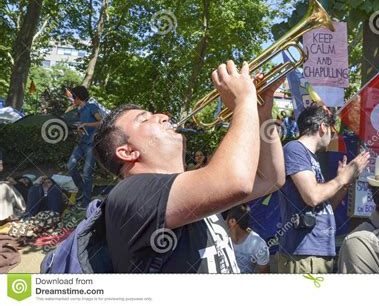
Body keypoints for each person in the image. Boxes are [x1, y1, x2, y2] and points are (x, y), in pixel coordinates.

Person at [93, 60, 285, 273]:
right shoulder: (128, 193)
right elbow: (236, 181)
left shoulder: (191, 189)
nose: (163, 116)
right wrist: (244, 101)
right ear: (128, 152)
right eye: (145, 119)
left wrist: (261, 116)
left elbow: (271, 179)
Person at [278, 104, 370, 273]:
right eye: (332, 131)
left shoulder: (310, 157)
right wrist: (341, 179)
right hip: (303, 254)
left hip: (319, 252)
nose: (333, 136)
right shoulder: (295, 149)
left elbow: (324, 207)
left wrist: (345, 182)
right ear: (322, 127)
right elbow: (312, 196)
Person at [67, 86, 102, 208]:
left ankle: (86, 201)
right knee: (70, 166)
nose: (72, 99)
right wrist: (79, 129)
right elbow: (82, 126)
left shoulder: (91, 107)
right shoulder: (79, 111)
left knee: (87, 173)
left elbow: (101, 122)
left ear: (78, 97)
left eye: (73, 97)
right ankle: (82, 189)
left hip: (91, 145)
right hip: (81, 143)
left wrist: (87, 124)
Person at [226, 204, 270, 273]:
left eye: (225, 218)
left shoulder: (259, 245)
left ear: (232, 221)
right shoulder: (221, 238)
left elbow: (265, 273)